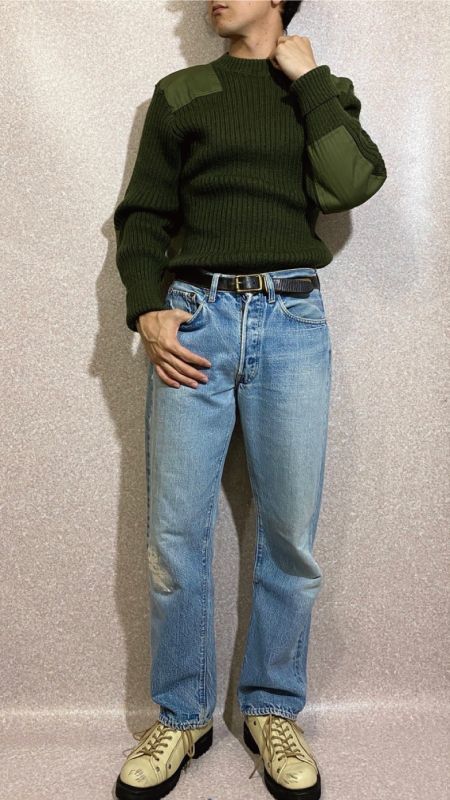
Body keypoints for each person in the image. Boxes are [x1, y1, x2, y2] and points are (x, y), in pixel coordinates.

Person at [112, 1, 387, 798]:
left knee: (290, 537)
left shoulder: (321, 90)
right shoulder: (183, 94)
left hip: (292, 321)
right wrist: (147, 304)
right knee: (175, 535)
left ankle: (272, 709)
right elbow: (143, 216)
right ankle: (184, 714)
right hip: (195, 321)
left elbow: (351, 184)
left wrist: (307, 79)